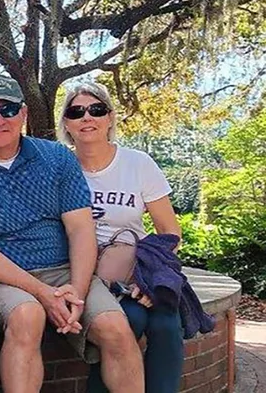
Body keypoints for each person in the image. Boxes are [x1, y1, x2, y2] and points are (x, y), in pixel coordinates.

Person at [0, 74, 144, 393]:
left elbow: (80, 228)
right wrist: (43, 294)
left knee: (116, 328)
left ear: (23, 113)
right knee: (27, 315)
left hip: (63, 272)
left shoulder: (57, 158)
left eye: (7, 110)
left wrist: (75, 290)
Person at [58, 81, 184, 393]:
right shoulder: (59, 167)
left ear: (110, 117)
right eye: (77, 112)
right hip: (85, 272)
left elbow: (170, 231)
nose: (87, 117)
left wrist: (147, 276)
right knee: (129, 321)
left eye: (96, 109)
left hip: (133, 269)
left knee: (167, 324)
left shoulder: (138, 164)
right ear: (67, 124)